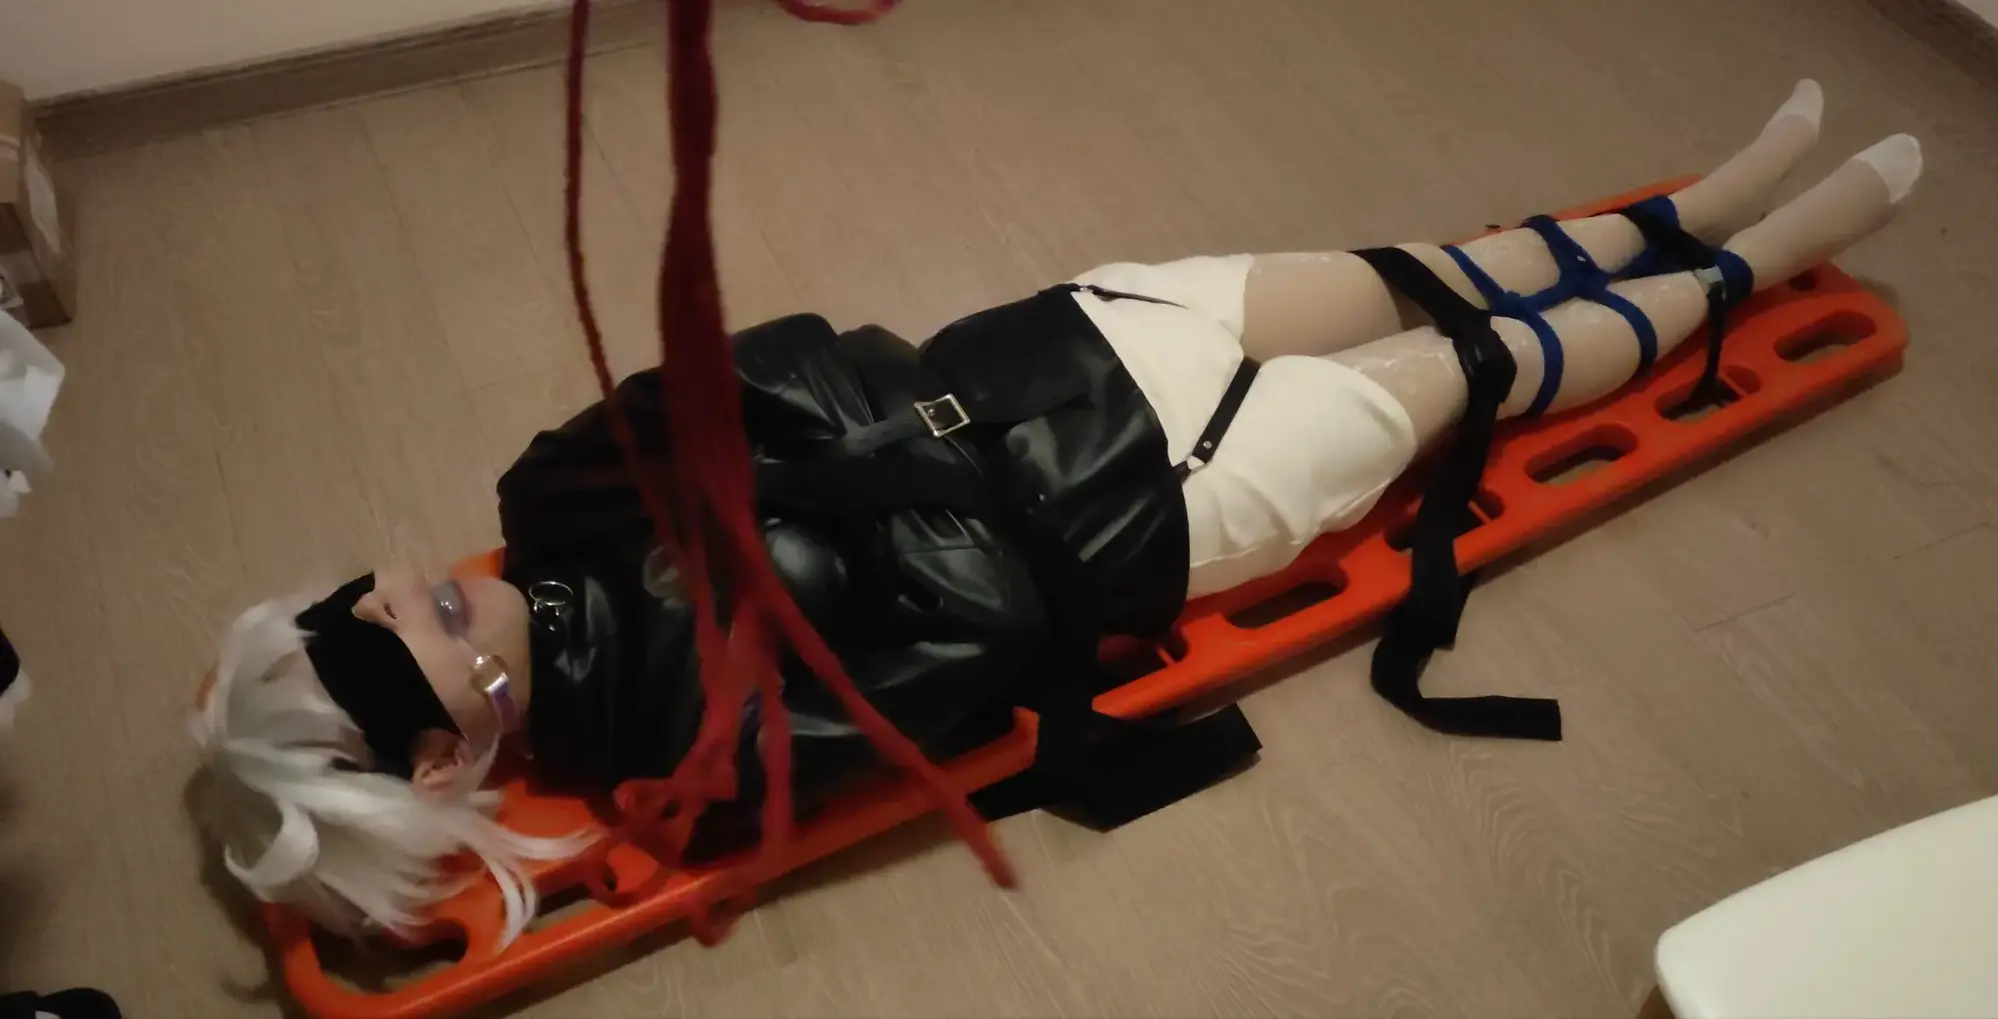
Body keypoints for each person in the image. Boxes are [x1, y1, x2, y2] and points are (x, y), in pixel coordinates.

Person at [189, 81, 1921, 947]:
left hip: (1045, 349)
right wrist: (870, 468)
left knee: (1412, 270)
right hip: (1142, 508)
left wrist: (880, 486)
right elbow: (981, 642)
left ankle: (1689, 208)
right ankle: (1756, 261)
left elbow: (785, 348)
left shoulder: (548, 500)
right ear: (441, 755)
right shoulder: (687, 756)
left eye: (366, 593)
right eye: (391, 639)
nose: (406, 588)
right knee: (1464, 366)